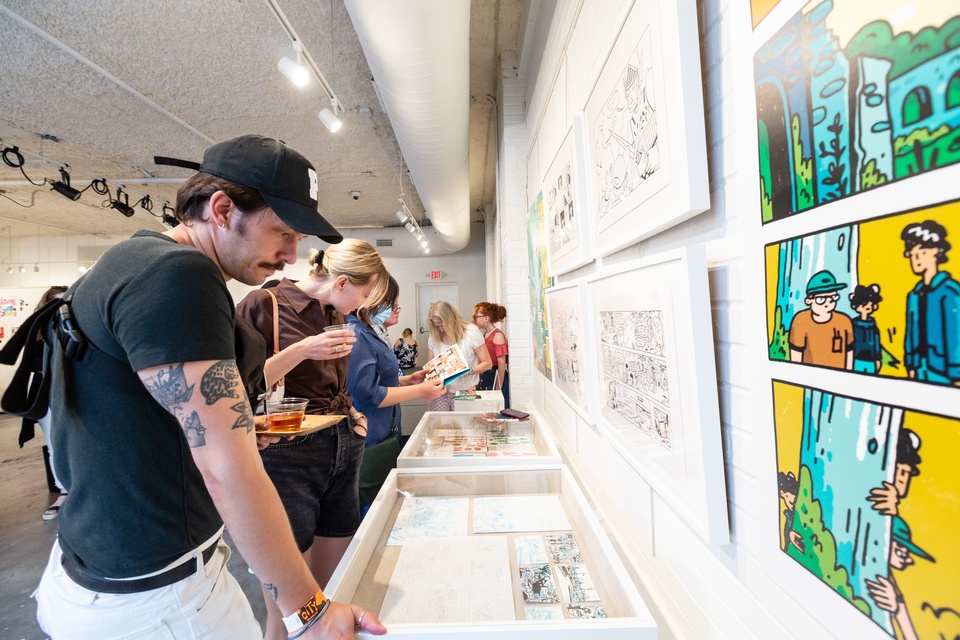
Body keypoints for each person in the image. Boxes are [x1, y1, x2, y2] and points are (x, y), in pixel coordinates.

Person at [35, 134, 385, 639]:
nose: (291, 254)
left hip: (102, 570)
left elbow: (145, 411)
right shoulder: (179, 277)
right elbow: (226, 467)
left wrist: (241, 423)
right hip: (157, 599)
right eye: (282, 231)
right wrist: (310, 612)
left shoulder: (135, 261)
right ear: (222, 209)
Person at [235, 239, 388, 640]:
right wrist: (302, 349)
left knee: (332, 592)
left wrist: (353, 413)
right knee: (291, 612)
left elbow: (334, 386)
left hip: (342, 446)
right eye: (366, 292)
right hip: (286, 455)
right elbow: (234, 389)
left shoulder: (334, 314)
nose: (367, 301)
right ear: (341, 282)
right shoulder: (262, 305)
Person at [347, 277, 445, 510]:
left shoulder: (369, 331)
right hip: (372, 432)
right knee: (373, 506)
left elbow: (378, 378)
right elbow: (368, 395)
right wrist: (418, 390)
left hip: (385, 429)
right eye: (392, 304)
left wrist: (407, 380)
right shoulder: (359, 334)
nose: (397, 309)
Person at [17, 285, 69, 520]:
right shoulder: (38, 333)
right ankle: (64, 490)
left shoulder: (75, 328)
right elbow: (35, 365)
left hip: (73, 392)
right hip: (46, 393)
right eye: (54, 303)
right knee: (54, 442)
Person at [901, 220, 960, 385]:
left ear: (936, 252)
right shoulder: (914, 294)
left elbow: (956, 335)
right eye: (912, 254)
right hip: (920, 367)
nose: (916, 258)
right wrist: (910, 363)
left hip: (943, 370)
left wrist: (957, 374)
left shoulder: (949, 291)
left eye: (923, 252)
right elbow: (911, 334)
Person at [425, 301, 492, 411]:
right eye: (437, 326)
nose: (441, 329)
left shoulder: (471, 332)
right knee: (439, 426)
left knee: (464, 426)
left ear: (451, 320)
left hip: (465, 391)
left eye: (443, 325)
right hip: (440, 392)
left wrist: (465, 371)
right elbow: (430, 366)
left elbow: (487, 363)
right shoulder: (434, 335)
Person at [788, 270, 854, 369]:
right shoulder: (801, 320)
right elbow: (796, 356)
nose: (827, 303)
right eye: (821, 299)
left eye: (832, 297)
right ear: (809, 300)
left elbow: (849, 352)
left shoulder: (844, 321)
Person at [473, 301, 510, 408]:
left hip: (494, 376)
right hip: (485, 376)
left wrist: (498, 388)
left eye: (476, 317)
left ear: (486, 318)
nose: (474, 320)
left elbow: (501, 364)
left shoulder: (497, 335)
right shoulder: (485, 335)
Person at [849, 283, 883, 374]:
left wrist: (877, 359)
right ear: (857, 306)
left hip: (870, 360)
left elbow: (876, 343)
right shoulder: (853, 324)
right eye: (864, 304)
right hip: (857, 359)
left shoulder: (872, 325)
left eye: (871, 304)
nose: (868, 306)